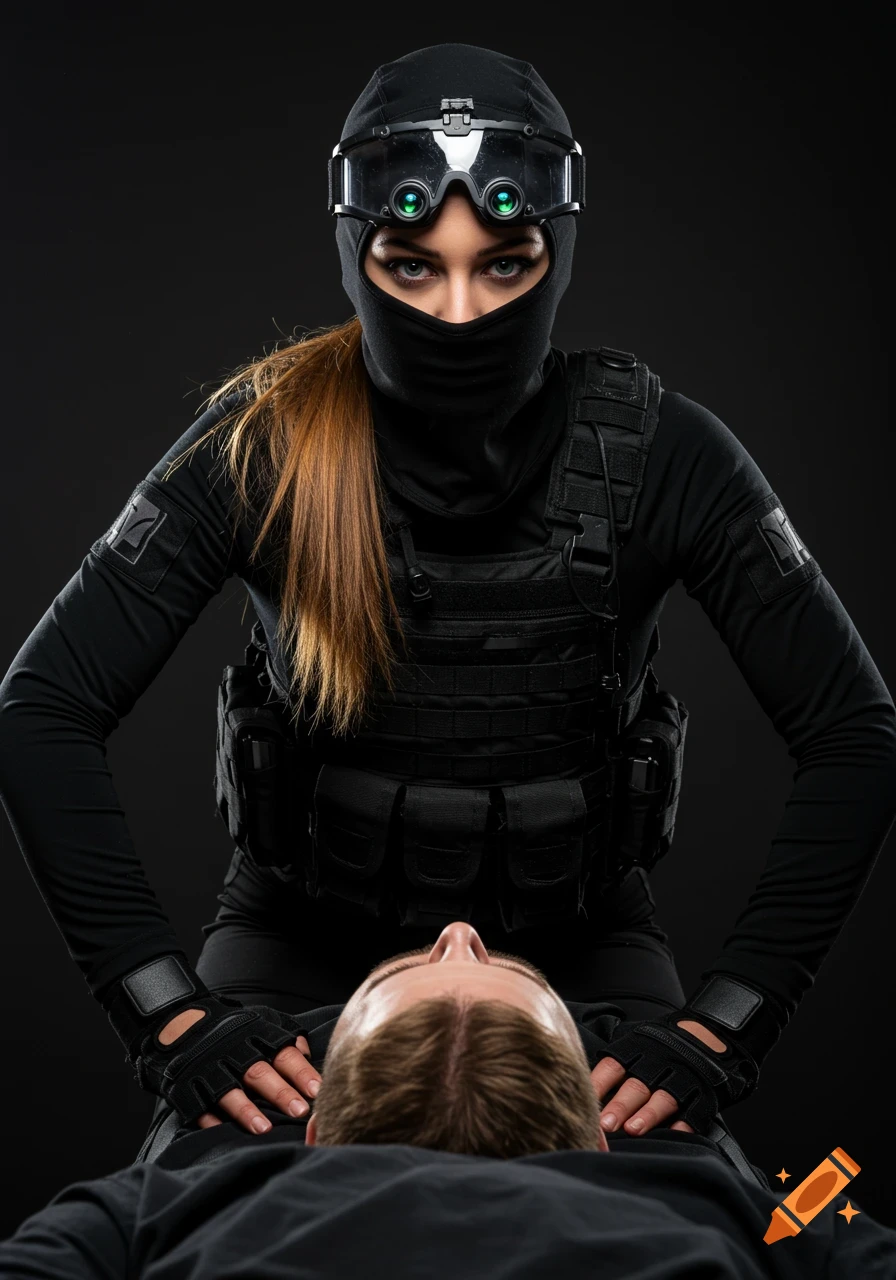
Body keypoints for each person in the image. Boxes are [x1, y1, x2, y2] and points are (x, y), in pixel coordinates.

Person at [0, 42, 894, 1146]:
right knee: (198, 1217)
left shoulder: (665, 454)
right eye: (412, 265)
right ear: (352, 252)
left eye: (504, 264)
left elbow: (853, 731)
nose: (460, 311)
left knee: (679, 1230)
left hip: (578, 952)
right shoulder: (265, 446)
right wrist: (167, 1012)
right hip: (294, 947)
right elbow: (41, 705)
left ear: (556, 254)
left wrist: (727, 1023)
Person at [1, 923, 893, 1280]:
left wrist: (168, 1016)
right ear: (600, 1143)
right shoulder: (747, 1216)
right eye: (497, 961)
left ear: (309, 1135)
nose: (459, 931)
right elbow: (835, 1230)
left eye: (412, 965)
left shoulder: (162, 1205)